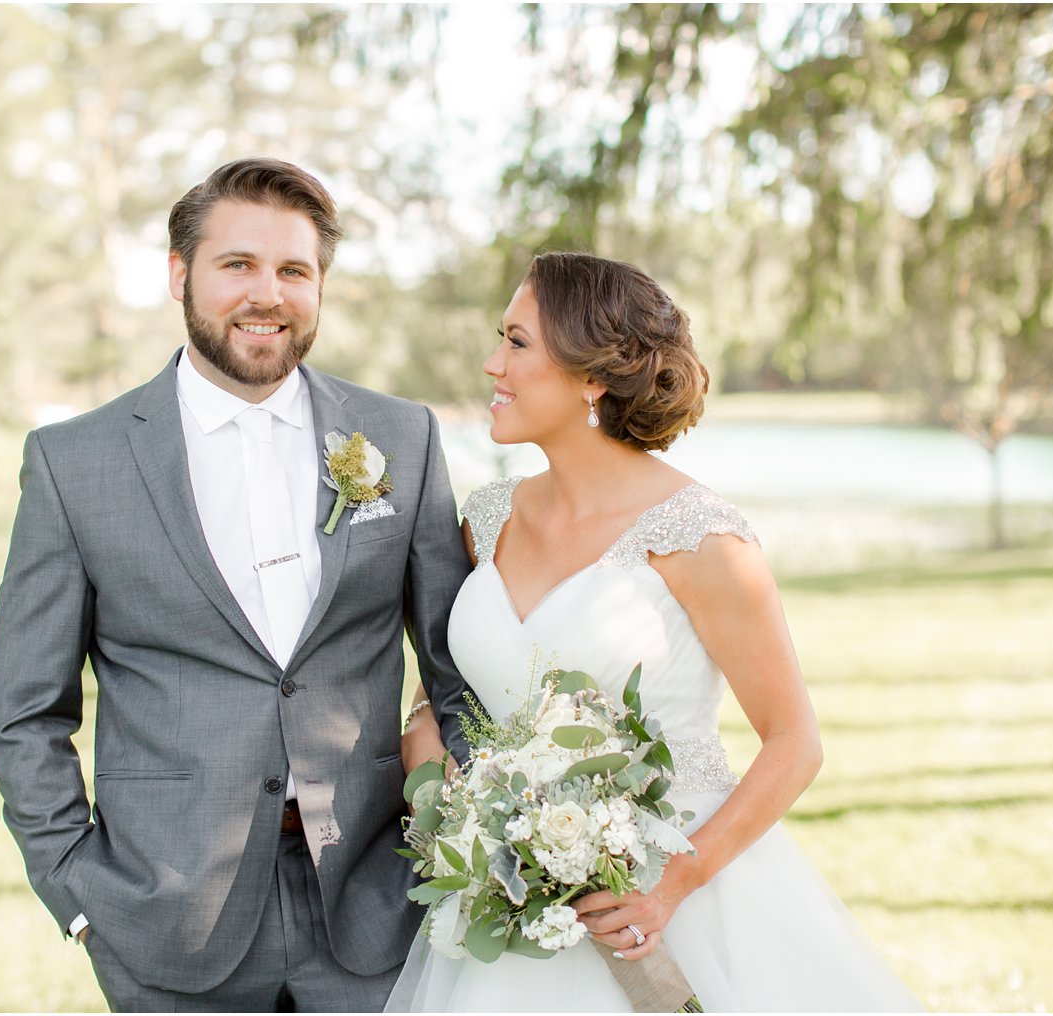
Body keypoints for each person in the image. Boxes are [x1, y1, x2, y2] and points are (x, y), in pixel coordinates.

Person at [0, 157, 473, 1012]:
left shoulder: (401, 438)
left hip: (377, 907)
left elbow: (457, 669)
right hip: (163, 921)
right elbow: (24, 713)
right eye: (237, 265)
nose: (268, 295)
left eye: (294, 271)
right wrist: (78, 894)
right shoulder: (75, 463)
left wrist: (465, 845)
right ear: (180, 275)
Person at [387, 252, 922, 1011]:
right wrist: (434, 771)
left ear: (592, 378)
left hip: (670, 897)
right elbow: (443, 695)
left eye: (516, 343)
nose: (490, 363)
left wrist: (672, 887)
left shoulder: (702, 537)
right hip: (508, 907)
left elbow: (795, 743)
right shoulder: (484, 518)